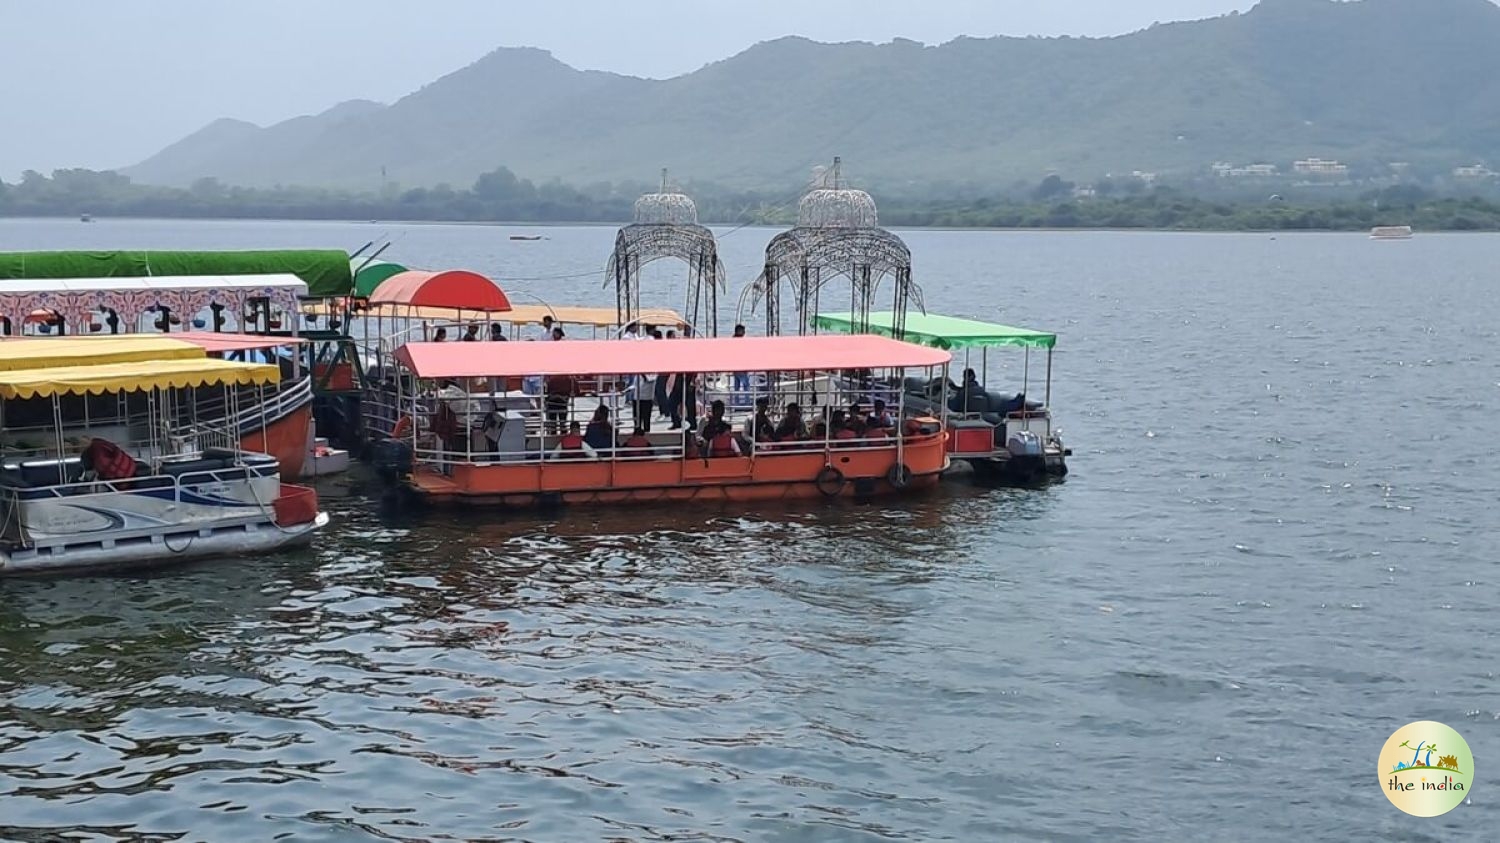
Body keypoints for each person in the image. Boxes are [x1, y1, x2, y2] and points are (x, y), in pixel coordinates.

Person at [731, 324, 751, 399]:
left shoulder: (733, 340)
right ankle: (747, 401)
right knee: (746, 385)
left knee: (737, 386)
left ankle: (736, 401)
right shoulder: (739, 341)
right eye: (743, 330)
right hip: (740, 367)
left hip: (736, 367)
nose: (744, 332)